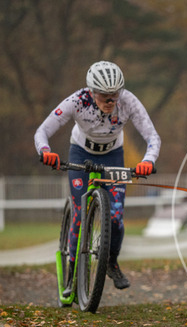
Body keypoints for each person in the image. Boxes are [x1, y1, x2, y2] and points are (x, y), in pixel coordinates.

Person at [35, 60, 161, 296]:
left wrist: (148, 161)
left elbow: (153, 136)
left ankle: (111, 261)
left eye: (114, 94)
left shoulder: (128, 101)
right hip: (80, 154)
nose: (110, 101)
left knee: (116, 216)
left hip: (113, 156)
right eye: (104, 95)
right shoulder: (77, 101)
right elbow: (42, 131)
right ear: (92, 91)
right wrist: (45, 151)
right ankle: (72, 270)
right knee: (80, 212)